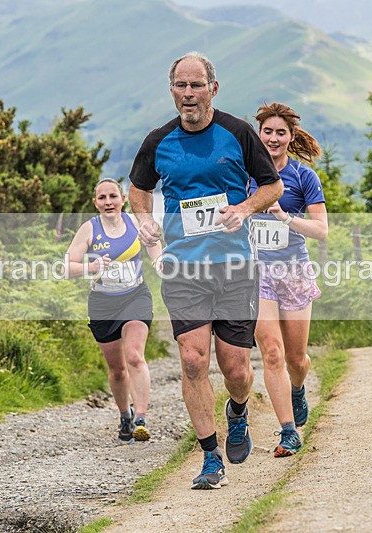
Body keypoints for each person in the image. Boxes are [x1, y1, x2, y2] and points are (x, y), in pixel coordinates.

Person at [128, 52, 283, 489]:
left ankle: (237, 411)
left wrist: (245, 208)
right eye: (181, 85)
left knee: (235, 368)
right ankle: (210, 457)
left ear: (213, 89)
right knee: (193, 360)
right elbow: (138, 190)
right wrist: (144, 220)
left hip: (234, 265)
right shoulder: (158, 141)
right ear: (172, 90)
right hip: (183, 267)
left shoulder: (237, 133)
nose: (188, 94)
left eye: (197, 85)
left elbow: (274, 185)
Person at [250, 102, 328, 457]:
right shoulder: (243, 175)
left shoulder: (303, 177)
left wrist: (285, 217)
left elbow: (321, 230)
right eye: (268, 131)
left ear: (291, 137)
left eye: (281, 132)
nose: (274, 138)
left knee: (297, 359)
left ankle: (298, 389)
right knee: (272, 352)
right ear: (259, 134)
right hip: (256, 273)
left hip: (294, 270)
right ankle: (287, 431)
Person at [64, 178, 162, 445]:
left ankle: (141, 418)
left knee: (134, 356)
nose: (108, 202)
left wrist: (159, 262)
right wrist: (92, 266)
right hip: (103, 303)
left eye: (113, 197)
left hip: (135, 297)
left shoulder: (134, 223)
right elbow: (67, 266)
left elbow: (154, 245)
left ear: (122, 199)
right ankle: (125, 415)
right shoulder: (89, 229)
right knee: (117, 370)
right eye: (103, 198)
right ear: (95, 203)